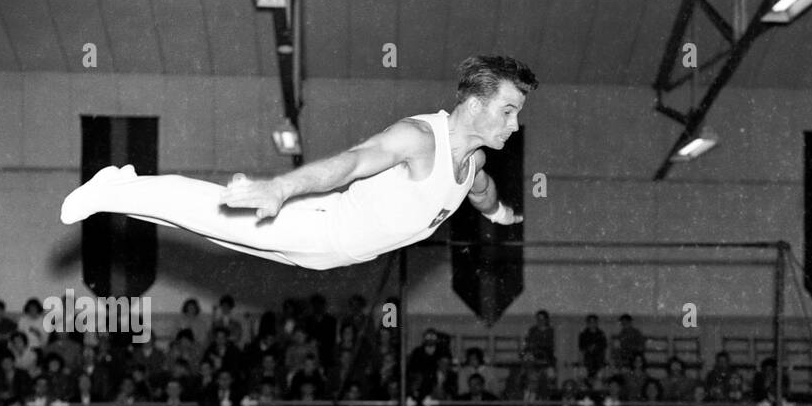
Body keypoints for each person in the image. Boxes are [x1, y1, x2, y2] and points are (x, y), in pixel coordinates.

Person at [60, 55, 535, 270]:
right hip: (319, 227)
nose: (513, 126)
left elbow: (482, 189)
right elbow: (349, 165)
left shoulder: (470, 162)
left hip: (332, 256)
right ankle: (111, 189)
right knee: (211, 212)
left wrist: (498, 213)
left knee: (204, 228)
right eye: (508, 110)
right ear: (474, 105)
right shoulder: (418, 139)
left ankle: (118, 190)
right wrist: (281, 189)